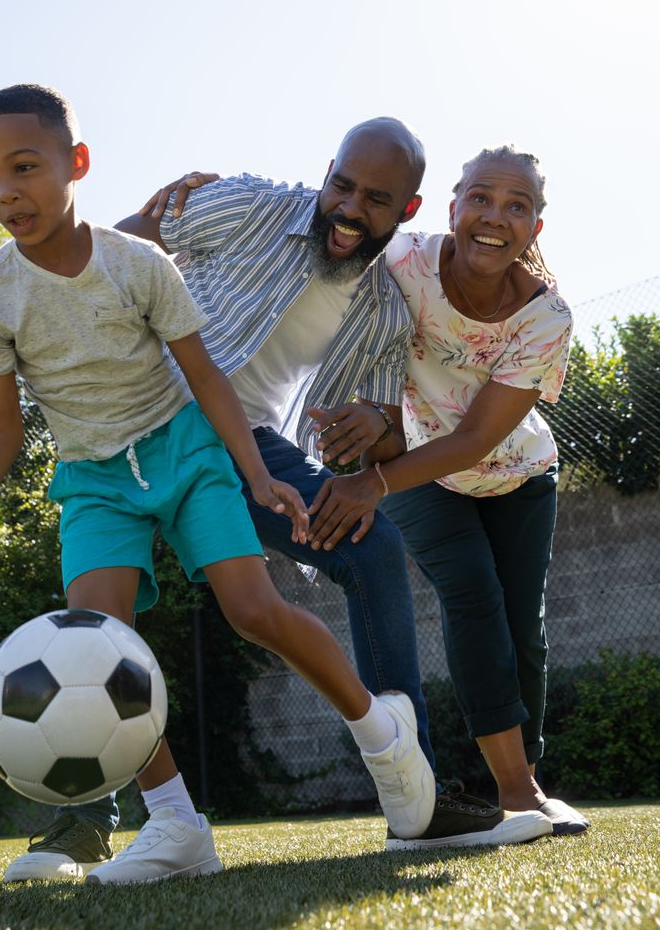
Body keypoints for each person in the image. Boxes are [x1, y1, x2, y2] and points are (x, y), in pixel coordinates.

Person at [0, 85, 436, 886]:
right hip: (96, 474)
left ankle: (388, 737)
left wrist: (266, 473)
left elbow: (209, 384)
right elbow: (1, 434)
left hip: (196, 445)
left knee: (256, 610)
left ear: (76, 163)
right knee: (94, 648)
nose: (4, 193)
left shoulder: (368, 301)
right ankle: (172, 824)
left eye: (23, 168)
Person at [109, 118, 551, 852]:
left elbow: (367, 433)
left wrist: (373, 426)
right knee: (100, 613)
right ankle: (85, 820)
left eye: (376, 199)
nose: (349, 209)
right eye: (341, 185)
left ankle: (416, 799)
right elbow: (117, 247)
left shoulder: (381, 308)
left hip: (243, 447)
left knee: (372, 545)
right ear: (326, 172)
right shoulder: (248, 203)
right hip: (137, 422)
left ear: (407, 211)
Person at [306, 144, 589, 838]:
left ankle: (528, 773)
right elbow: (327, 231)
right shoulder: (403, 263)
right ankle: (517, 794)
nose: (495, 216)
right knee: (471, 592)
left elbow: (475, 440)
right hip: (412, 468)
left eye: (517, 206)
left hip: (513, 474)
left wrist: (370, 481)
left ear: (535, 229)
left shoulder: (545, 318)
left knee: (523, 627)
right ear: (452, 206)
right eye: (482, 199)